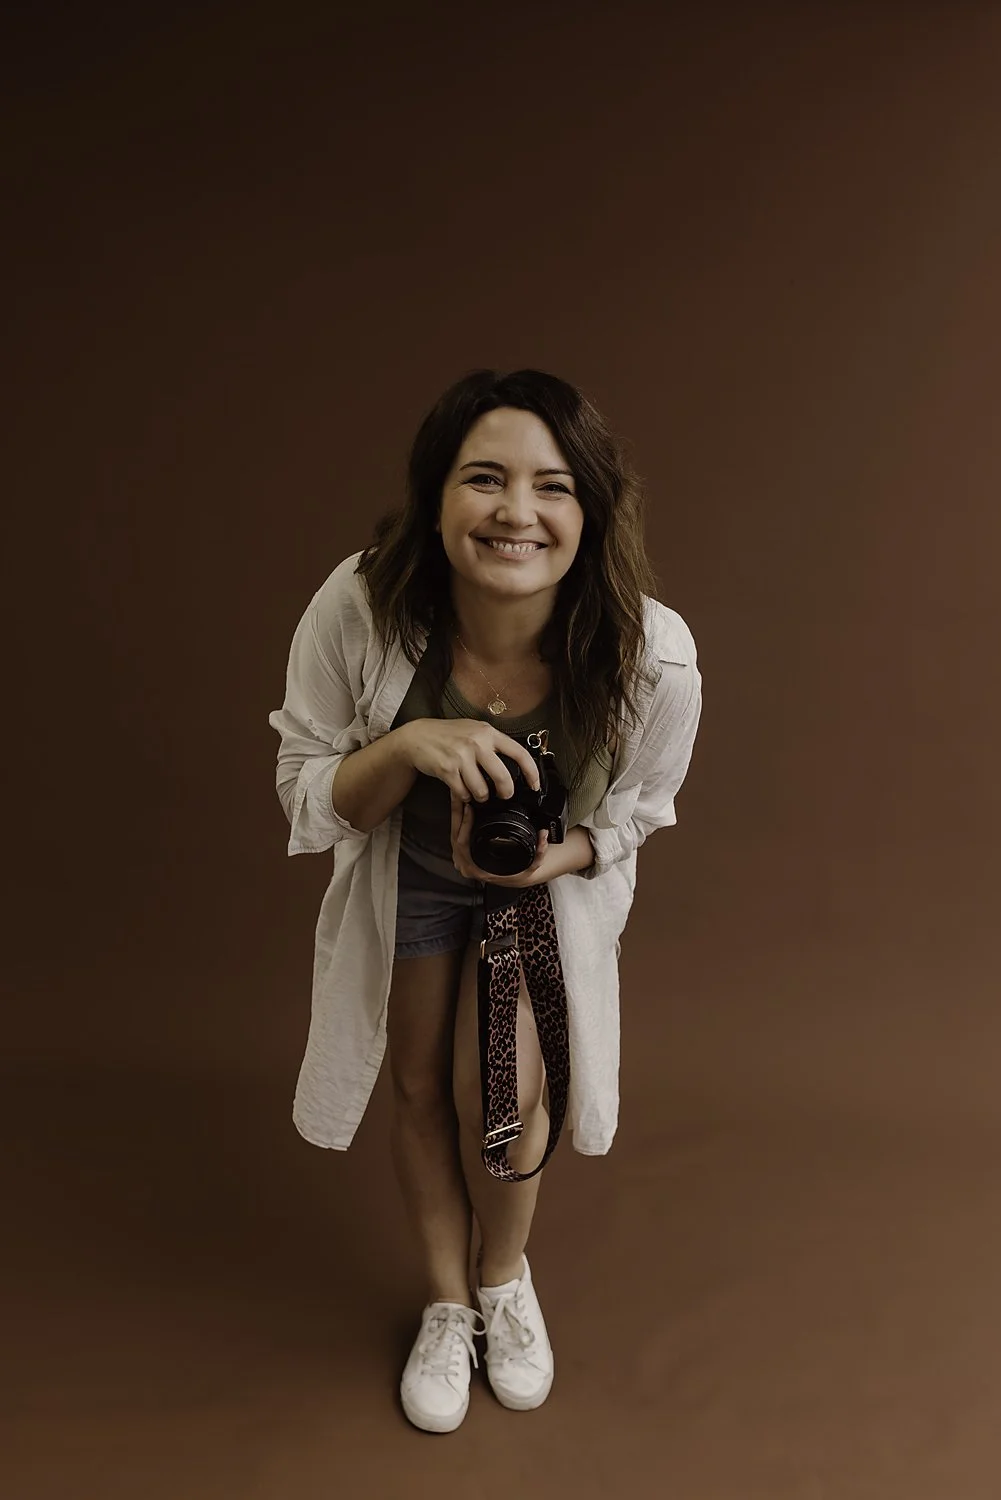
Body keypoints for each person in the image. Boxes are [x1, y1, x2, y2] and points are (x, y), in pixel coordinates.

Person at [267, 368, 703, 1433]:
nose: (516, 511)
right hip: (410, 872)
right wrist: (412, 744)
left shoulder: (649, 654)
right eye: (484, 479)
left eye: (551, 486)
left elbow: (643, 809)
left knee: (500, 1109)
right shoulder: (362, 606)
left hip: (535, 895)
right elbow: (307, 792)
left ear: (589, 510)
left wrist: (558, 860)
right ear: (437, 495)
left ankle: (503, 1279)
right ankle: (447, 1303)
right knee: (416, 1087)